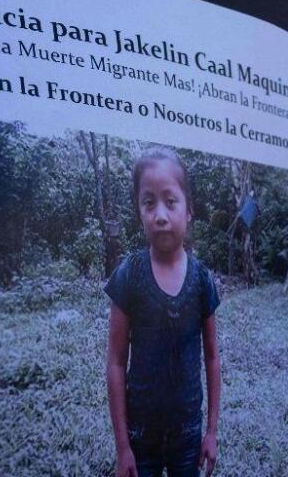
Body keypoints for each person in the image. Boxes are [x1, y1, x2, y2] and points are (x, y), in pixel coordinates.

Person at [105, 147, 220, 477]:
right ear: (139, 211)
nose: (160, 214)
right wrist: (123, 447)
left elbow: (212, 357)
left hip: (188, 436)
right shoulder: (128, 275)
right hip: (141, 439)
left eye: (170, 201)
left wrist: (210, 432)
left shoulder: (202, 280)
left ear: (188, 210)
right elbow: (115, 361)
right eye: (149, 202)